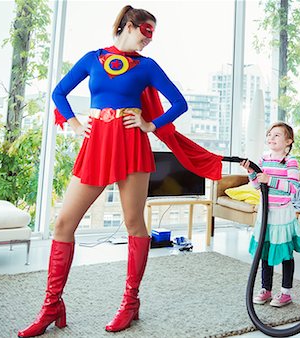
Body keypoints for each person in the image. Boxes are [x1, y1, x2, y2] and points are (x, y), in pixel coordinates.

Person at [18, 5, 223, 337]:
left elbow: (179, 103)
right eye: (147, 31)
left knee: (133, 223)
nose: (149, 40)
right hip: (96, 144)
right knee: (63, 223)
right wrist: (71, 122)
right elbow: (58, 92)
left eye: (153, 34)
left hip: (131, 145)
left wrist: (149, 123)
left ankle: (130, 302)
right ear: (130, 25)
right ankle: (51, 305)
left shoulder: (147, 66)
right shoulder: (93, 58)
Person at [240, 121, 300, 308]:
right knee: (265, 250)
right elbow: (256, 186)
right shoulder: (263, 160)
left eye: (277, 135)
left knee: (285, 253)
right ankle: (266, 289)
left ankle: (286, 292)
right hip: (265, 212)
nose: (271, 137)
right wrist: (252, 173)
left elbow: (293, 188)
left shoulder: (290, 162)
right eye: (270, 134)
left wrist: (270, 180)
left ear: (288, 141)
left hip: (282, 214)